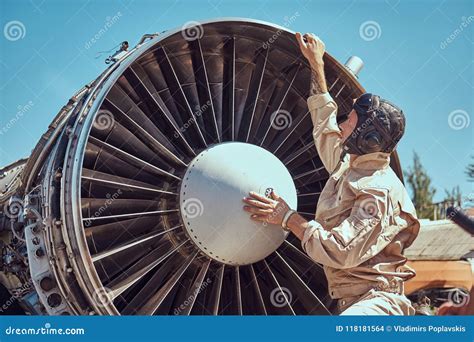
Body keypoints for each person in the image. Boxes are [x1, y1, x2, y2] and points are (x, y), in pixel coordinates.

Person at [242, 32, 420, 315]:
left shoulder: (378, 190)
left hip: (378, 304)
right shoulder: (350, 166)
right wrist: (317, 65)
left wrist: (287, 217)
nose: (341, 125)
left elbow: (341, 250)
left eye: (349, 122)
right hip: (352, 302)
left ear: (368, 138)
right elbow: (324, 124)